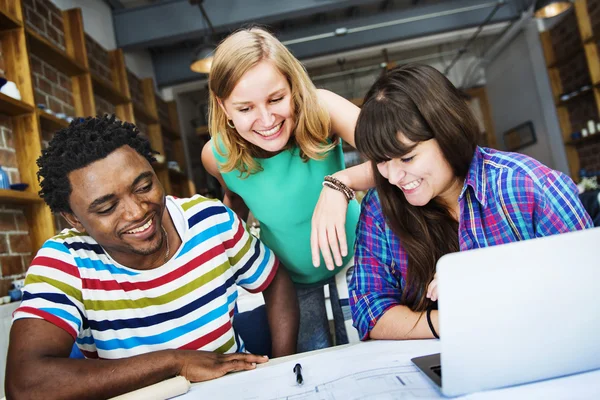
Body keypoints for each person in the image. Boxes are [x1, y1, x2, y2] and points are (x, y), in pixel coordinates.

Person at [5, 115, 299, 400]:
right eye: (107, 207)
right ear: (74, 219)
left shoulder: (210, 221)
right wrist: (175, 363)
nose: (137, 212)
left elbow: (275, 279)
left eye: (144, 187)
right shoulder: (66, 261)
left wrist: (281, 371)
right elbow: (27, 384)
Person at [349, 64, 593, 341]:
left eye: (407, 158)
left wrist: (486, 281)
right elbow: (369, 312)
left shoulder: (528, 185)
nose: (393, 177)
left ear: (447, 133)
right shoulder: (379, 208)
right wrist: (462, 317)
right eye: (381, 160)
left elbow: (588, 285)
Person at [201, 28, 372, 352]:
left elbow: (400, 158)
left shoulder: (323, 109)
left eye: (276, 99)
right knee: (312, 366)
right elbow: (234, 201)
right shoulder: (215, 156)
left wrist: (341, 184)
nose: (266, 119)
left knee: (368, 355)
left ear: (293, 88)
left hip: (358, 260)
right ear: (224, 108)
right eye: (245, 108)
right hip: (289, 282)